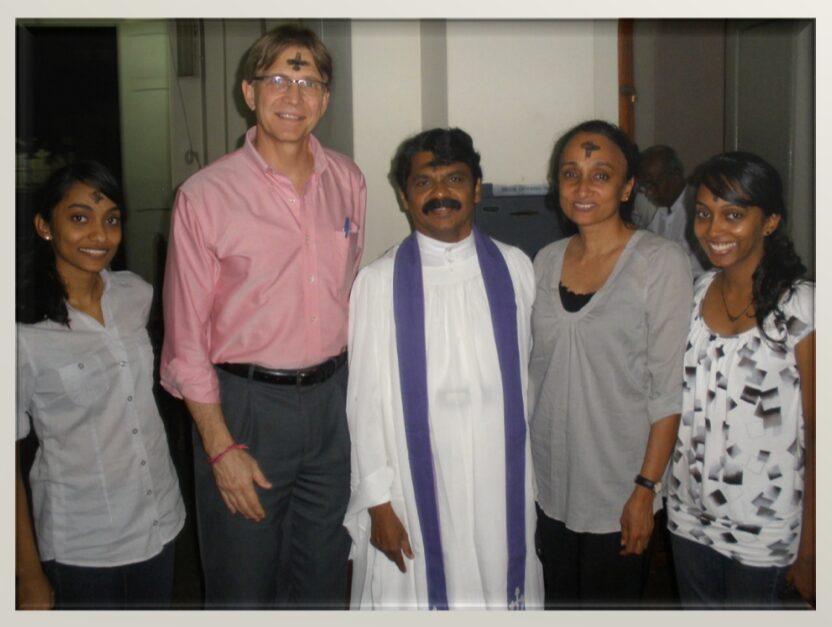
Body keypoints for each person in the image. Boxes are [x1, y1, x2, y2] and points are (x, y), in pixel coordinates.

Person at [160, 24, 366, 608]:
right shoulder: (205, 195)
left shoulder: (348, 181)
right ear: (249, 92)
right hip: (244, 408)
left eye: (308, 81)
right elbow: (184, 342)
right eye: (277, 78)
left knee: (324, 578)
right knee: (243, 587)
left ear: (325, 99)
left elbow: (346, 292)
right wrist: (220, 448)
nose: (292, 95)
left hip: (331, 404)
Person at [344, 128, 543, 609]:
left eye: (454, 179)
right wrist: (378, 503)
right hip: (414, 482)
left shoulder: (515, 268)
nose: (440, 194)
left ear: (477, 188)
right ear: (403, 196)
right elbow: (363, 404)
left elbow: (526, 380)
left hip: (500, 475)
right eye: (423, 182)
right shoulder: (378, 283)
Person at [528, 120, 693, 608]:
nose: (582, 188)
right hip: (549, 485)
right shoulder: (543, 262)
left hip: (619, 489)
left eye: (600, 175)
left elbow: (668, 392)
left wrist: (646, 490)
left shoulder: (660, 263)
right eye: (570, 173)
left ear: (626, 187)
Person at [15, 161, 186, 609]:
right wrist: (27, 574)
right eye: (79, 218)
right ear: (44, 225)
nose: (99, 234)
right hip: (84, 546)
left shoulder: (135, 294)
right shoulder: (23, 334)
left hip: (160, 520)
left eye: (111, 220)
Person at [666, 151, 815, 609]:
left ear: (769, 221)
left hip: (763, 531)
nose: (714, 230)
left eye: (733, 215)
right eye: (705, 214)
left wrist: (812, 547)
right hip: (688, 519)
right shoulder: (693, 295)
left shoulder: (801, 309)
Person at [635, 144, 706, 278]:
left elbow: (697, 269)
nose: (649, 191)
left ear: (676, 174)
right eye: (645, 185)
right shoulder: (662, 211)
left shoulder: (695, 208)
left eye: (654, 183)